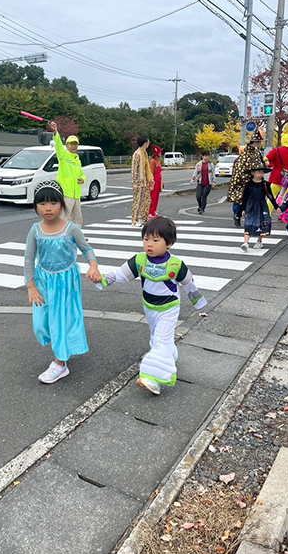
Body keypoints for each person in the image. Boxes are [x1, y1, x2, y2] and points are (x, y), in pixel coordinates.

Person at [93, 217, 208, 395]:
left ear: (169, 243)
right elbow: (120, 274)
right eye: (146, 239)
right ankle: (170, 354)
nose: (149, 244)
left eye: (155, 240)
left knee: (160, 340)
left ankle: (153, 379)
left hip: (169, 309)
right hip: (149, 307)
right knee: (157, 337)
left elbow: (189, 283)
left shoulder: (176, 265)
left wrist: (198, 302)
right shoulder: (139, 261)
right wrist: (103, 279)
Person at [25, 181, 101, 384]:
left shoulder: (71, 228)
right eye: (42, 203)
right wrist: (31, 286)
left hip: (66, 282)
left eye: (52, 203)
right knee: (41, 322)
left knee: (60, 321)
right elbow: (28, 258)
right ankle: (62, 347)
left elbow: (86, 249)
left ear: (61, 204)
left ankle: (60, 363)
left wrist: (93, 266)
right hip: (43, 281)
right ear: (35, 207)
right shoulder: (35, 230)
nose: (48, 208)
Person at [46, 121, 86, 226]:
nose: (73, 146)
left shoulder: (77, 159)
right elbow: (58, 145)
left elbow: (81, 174)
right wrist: (55, 132)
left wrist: (83, 179)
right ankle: (63, 238)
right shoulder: (63, 156)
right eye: (71, 144)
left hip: (76, 194)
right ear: (67, 145)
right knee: (65, 219)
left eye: (75, 144)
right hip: (66, 194)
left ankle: (76, 238)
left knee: (77, 219)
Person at [227, 132, 266, 227]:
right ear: (255, 142)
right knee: (240, 200)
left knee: (254, 199)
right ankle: (237, 215)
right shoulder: (245, 154)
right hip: (243, 181)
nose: (260, 144)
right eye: (259, 142)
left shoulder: (257, 152)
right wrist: (242, 180)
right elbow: (239, 169)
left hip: (255, 180)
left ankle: (252, 219)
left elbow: (260, 164)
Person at [239, 164, 278, 251]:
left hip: (261, 206)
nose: (261, 173)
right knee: (248, 223)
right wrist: (243, 209)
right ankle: (246, 242)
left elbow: (270, 196)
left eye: (262, 172)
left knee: (261, 223)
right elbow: (244, 197)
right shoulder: (248, 184)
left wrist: (276, 207)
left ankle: (259, 241)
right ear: (253, 173)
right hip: (250, 206)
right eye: (259, 172)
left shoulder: (265, 184)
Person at [131, 137, 153, 225]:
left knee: (147, 200)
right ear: (145, 143)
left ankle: (143, 218)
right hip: (139, 181)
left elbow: (147, 167)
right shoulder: (137, 154)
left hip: (145, 181)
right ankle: (134, 220)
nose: (149, 143)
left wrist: (150, 179)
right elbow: (134, 169)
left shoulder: (145, 153)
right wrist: (134, 183)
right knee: (137, 201)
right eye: (148, 142)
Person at [148, 145, 164, 218]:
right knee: (153, 197)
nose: (161, 153)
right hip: (154, 180)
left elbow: (160, 172)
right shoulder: (152, 161)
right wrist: (151, 183)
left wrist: (162, 182)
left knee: (157, 197)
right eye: (160, 152)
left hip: (158, 180)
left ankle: (154, 211)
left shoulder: (158, 161)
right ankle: (150, 212)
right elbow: (150, 172)